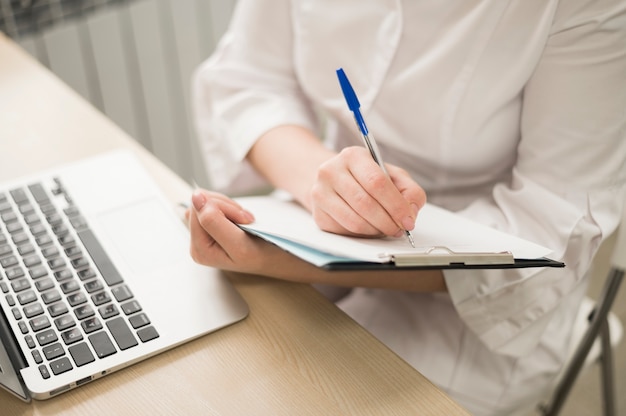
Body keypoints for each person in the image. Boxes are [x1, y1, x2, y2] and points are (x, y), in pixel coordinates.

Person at [188, 1, 626, 415]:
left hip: (481, 297)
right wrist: (323, 182)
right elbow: (248, 80)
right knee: (209, 371)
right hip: (320, 221)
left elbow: (551, 226)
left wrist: (306, 261)